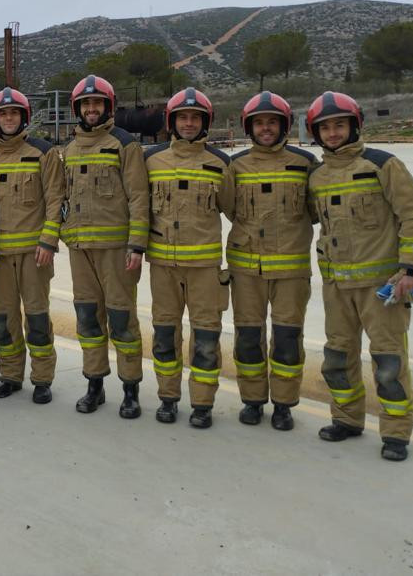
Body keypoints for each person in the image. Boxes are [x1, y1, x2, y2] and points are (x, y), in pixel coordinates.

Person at [307, 91, 413, 461]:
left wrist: (409, 269)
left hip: (382, 286)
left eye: (339, 125)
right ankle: (346, 419)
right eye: (324, 128)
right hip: (336, 287)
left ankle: (395, 434)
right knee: (337, 358)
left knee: (389, 362)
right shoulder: (317, 176)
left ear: (355, 125)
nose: (332, 133)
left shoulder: (383, 164)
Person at [224, 92, 317, 430]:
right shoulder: (236, 166)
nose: (266, 128)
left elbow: (316, 210)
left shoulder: (305, 164)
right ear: (250, 127)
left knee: (288, 339)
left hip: (291, 270)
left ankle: (283, 404)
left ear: (284, 126)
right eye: (260, 123)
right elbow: (229, 207)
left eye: (272, 122)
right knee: (248, 337)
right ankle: (252, 400)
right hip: (246, 269)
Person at [144, 87, 233, 428]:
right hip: (163, 267)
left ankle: (202, 403)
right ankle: (168, 398)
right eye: (183, 117)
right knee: (165, 335)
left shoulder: (220, 163)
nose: (189, 123)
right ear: (172, 121)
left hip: (205, 270)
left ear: (205, 122)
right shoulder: (151, 160)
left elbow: (236, 211)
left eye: (196, 117)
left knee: (206, 338)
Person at [61, 76, 149, 416]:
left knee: (122, 320)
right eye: (85, 104)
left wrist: (137, 245)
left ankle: (131, 390)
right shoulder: (68, 150)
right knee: (88, 320)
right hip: (80, 249)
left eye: (97, 103)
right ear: (78, 109)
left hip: (116, 249)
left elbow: (139, 197)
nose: (91, 109)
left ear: (108, 106)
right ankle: (94, 384)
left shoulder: (124, 145)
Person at [0, 88, 65, 404]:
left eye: (14, 112)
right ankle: (10, 376)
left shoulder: (44, 153)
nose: (9, 118)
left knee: (38, 317)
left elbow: (56, 200)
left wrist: (49, 240)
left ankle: (42, 379)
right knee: (3, 319)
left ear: (24, 116)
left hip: (34, 253)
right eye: (3, 113)